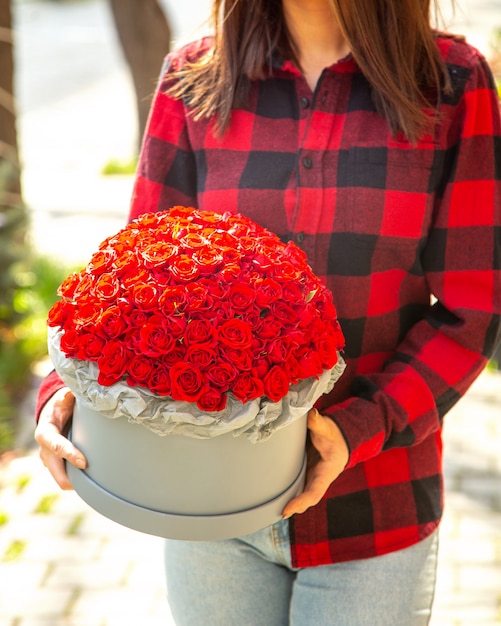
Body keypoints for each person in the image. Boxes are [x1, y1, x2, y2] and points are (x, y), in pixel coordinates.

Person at [35, 0, 501, 624]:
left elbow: (473, 309)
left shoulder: (451, 84)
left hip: (372, 510)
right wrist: (63, 393)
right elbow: (132, 285)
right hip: (203, 501)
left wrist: (359, 426)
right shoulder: (193, 79)